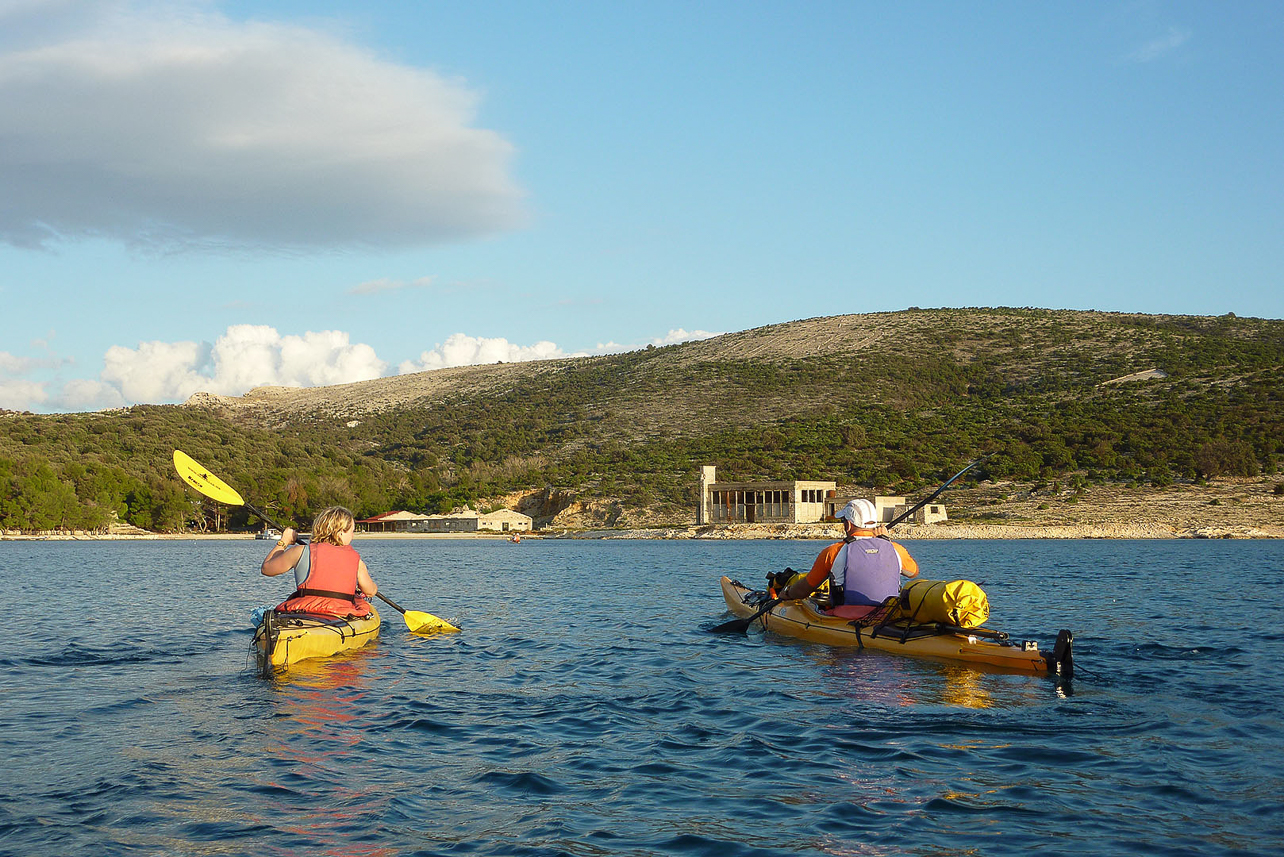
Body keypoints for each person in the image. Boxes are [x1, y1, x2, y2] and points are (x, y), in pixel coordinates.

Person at [775, 499, 918, 608]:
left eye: (843, 521)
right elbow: (913, 573)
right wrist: (885, 543)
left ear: (848, 524)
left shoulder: (833, 552)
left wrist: (787, 593)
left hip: (845, 616)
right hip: (886, 615)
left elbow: (804, 590)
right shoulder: (895, 549)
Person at [261, 506, 377, 618]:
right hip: (339, 615)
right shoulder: (356, 560)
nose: (352, 536)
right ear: (341, 532)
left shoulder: (299, 552)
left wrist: (284, 542)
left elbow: (267, 568)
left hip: (303, 612)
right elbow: (370, 591)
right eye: (352, 531)